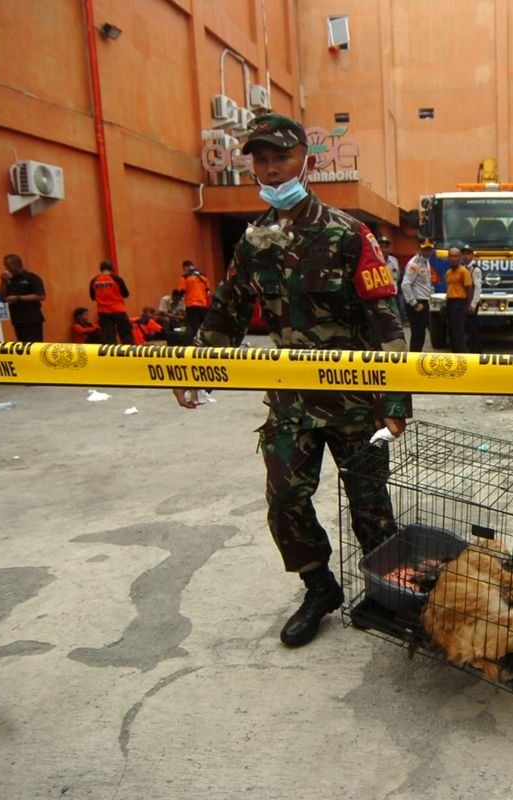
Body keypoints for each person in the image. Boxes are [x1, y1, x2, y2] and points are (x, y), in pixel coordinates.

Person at [172, 113, 409, 648]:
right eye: (261, 159)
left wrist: (395, 396)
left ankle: (387, 592)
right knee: (285, 501)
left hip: (355, 404)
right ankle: (319, 587)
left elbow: (387, 321)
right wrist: (194, 368)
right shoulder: (253, 242)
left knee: (369, 506)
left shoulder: (350, 235)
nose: (272, 169)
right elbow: (226, 316)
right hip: (291, 402)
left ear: (308, 160)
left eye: (282, 156)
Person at [0, 254, 47, 342]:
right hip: (17, 319)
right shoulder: (10, 280)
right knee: (22, 347)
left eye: (8, 266)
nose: (6, 269)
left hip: (32, 319)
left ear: (18, 264)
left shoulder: (32, 278)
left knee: (33, 346)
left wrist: (18, 298)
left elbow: (41, 295)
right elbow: (2, 298)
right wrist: (3, 281)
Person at [401, 239, 434, 352]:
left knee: (421, 334)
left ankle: (417, 357)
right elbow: (405, 285)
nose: (428, 252)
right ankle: (413, 360)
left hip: (424, 301)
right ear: (419, 248)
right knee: (417, 334)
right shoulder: (414, 264)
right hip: (417, 303)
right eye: (425, 249)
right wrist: (414, 304)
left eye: (429, 249)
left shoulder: (426, 262)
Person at [89, 260, 133, 345]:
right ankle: (129, 353)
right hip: (118, 309)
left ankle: (111, 356)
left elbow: (93, 297)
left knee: (108, 336)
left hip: (103, 311)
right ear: (112, 268)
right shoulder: (117, 278)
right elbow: (126, 294)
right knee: (125, 333)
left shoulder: (94, 280)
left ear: (101, 269)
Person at [443, 247, 472, 353]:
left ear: (460, 258)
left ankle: (462, 357)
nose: (453, 258)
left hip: (460, 304)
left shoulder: (464, 271)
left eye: (456, 256)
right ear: (448, 257)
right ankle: (454, 355)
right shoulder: (448, 272)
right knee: (451, 333)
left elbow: (469, 288)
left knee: (459, 333)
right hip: (450, 303)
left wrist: (470, 305)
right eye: (451, 256)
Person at [177, 260, 211, 341]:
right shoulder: (204, 276)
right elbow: (208, 291)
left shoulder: (185, 277)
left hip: (191, 304)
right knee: (203, 325)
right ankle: (205, 341)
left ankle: (196, 343)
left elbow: (181, 292)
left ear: (185, 267)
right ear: (193, 265)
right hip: (203, 305)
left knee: (194, 326)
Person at [378, 234, 405, 323]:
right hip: (380, 296)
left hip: (393, 295)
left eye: (386, 247)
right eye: (381, 247)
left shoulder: (394, 261)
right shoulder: (374, 261)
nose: (384, 249)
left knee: (395, 320)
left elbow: (397, 277)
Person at [462, 245, 483, 352]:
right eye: (464, 254)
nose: (465, 256)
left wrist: (473, 304)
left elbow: (477, 288)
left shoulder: (475, 270)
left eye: (468, 254)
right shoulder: (464, 268)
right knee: (467, 327)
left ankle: (477, 351)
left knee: (472, 328)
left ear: (472, 255)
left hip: (472, 303)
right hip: (465, 302)